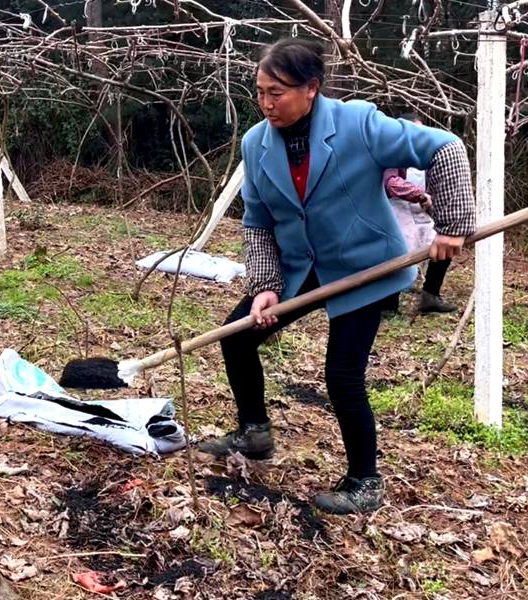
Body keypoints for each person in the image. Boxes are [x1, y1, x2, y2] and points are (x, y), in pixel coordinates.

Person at [197, 39, 475, 514]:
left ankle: (366, 481)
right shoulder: (256, 143)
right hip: (301, 266)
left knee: (342, 374)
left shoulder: (359, 124)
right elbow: (258, 223)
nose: (266, 104)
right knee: (238, 337)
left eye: (277, 93)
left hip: (365, 266)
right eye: (260, 92)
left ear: (311, 88)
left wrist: (452, 226)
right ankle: (254, 432)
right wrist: (265, 286)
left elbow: (445, 148)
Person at [380, 113, 457, 316]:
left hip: (422, 211)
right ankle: (389, 304)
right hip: (398, 208)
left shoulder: (430, 155)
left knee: (442, 249)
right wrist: (419, 195)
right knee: (399, 254)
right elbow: (390, 183)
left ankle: (430, 296)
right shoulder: (392, 153)